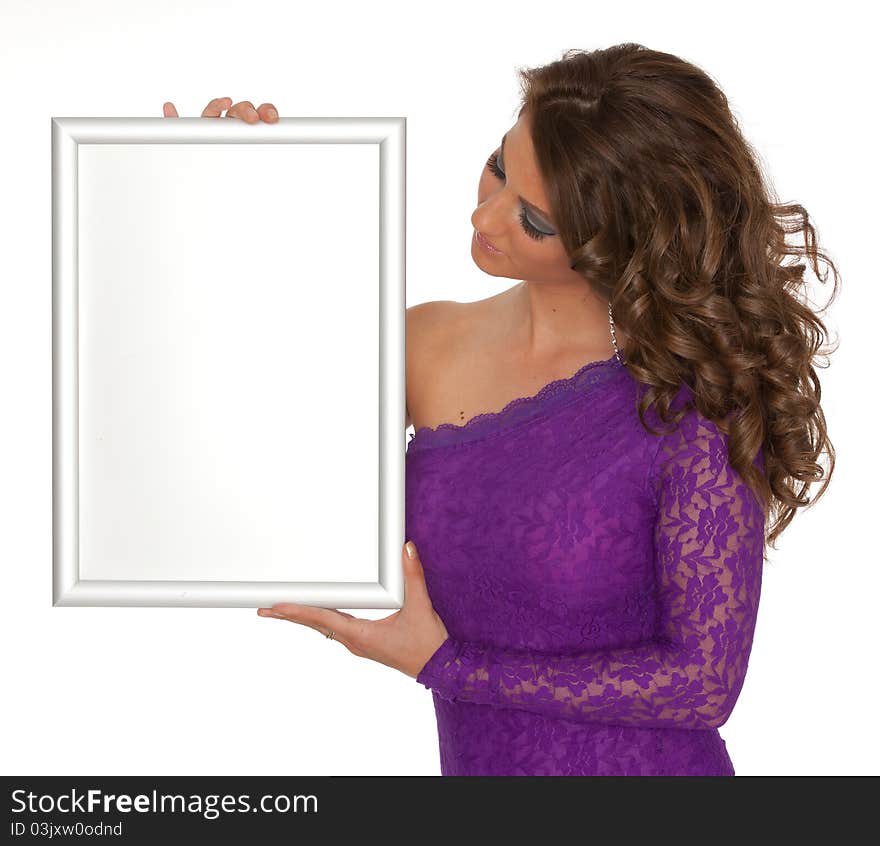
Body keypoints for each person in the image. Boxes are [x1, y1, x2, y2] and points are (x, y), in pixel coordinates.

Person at [169, 43, 838, 776]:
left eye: (535, 219)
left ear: (623, 239)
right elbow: (230, 457)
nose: (483, 213)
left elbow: (704, 686)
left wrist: (450, 668)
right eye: (497, 163)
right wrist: (220, 203)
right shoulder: (420, 341)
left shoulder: (695, 402)